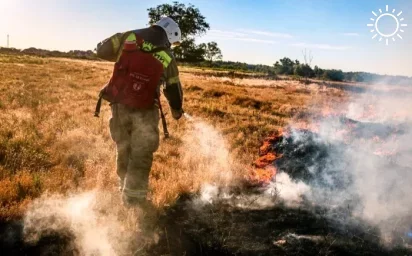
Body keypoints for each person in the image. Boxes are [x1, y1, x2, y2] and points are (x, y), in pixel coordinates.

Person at [95, 17, 184, 208]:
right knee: (141, 153)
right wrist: (177, 110)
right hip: (145, 110)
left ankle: (123, 188)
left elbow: (101, 50)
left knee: (123, 147)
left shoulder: (129, 36)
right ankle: (135, 202)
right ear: (170, 34)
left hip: (119, 106)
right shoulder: (166, 54)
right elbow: (173, 87)